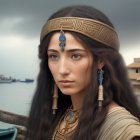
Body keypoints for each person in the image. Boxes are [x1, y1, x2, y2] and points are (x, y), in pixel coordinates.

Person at [26, 5, 140, 140]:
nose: (62, 70)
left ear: (101, 60)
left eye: (75, 56)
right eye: (54, 56)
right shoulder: (59, 113)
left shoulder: (122, 129)